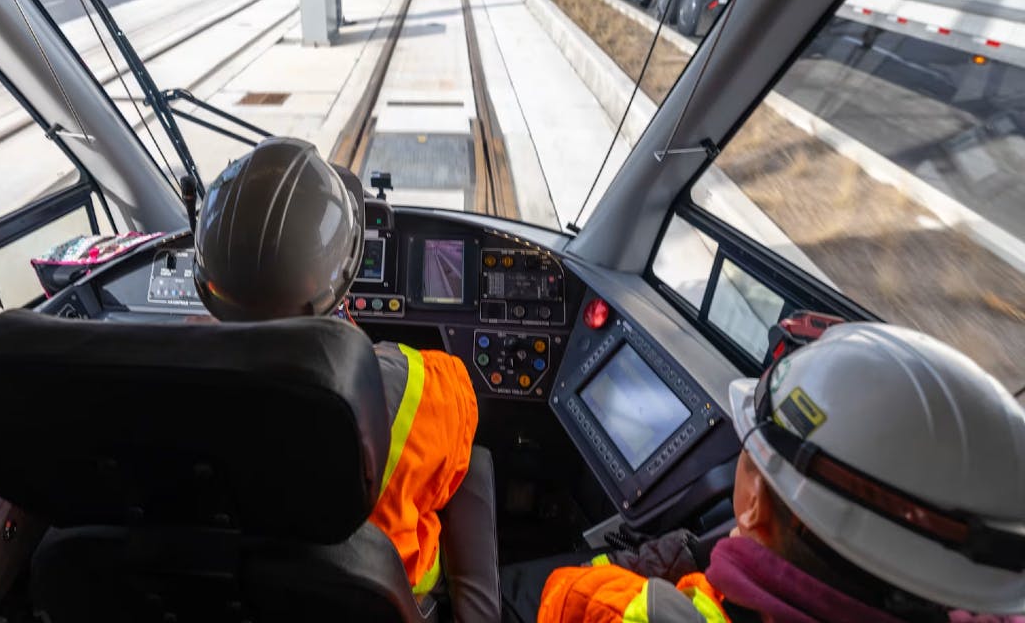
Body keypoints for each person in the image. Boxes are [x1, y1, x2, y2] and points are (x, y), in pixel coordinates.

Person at [510, 322, 1025, 623]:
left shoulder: (631, 611)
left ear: (754, 504)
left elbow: (563, 592)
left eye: (747, 452)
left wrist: (686, 557)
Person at [191, 137, 479, 598]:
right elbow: (458, 437)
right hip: (377, 600)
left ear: (206, 284)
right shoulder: (415, 387)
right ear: (347, 272)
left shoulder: (170, 380)